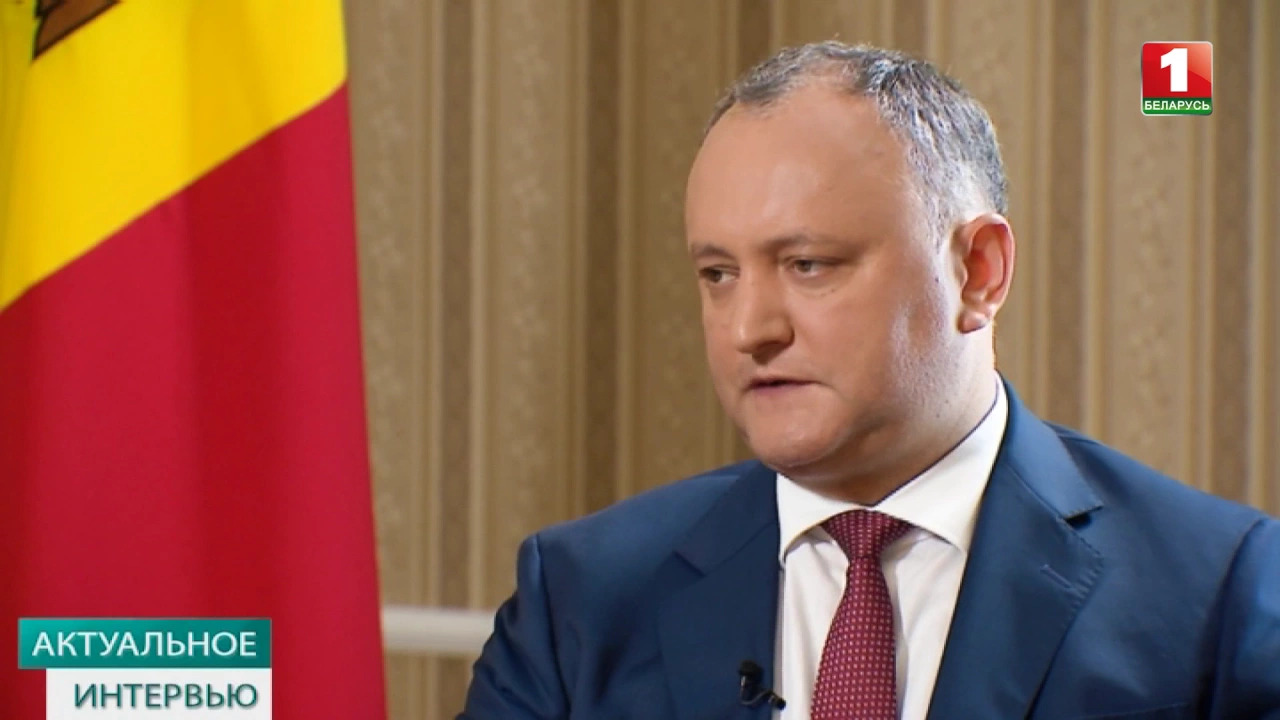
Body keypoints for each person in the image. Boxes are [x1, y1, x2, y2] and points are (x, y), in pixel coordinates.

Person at [458, 42, 1280, 720]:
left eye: (808, 264)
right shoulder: (580, 597)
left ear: (978, 272)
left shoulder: (1217, 595)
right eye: (718, 274)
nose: (749, 330)